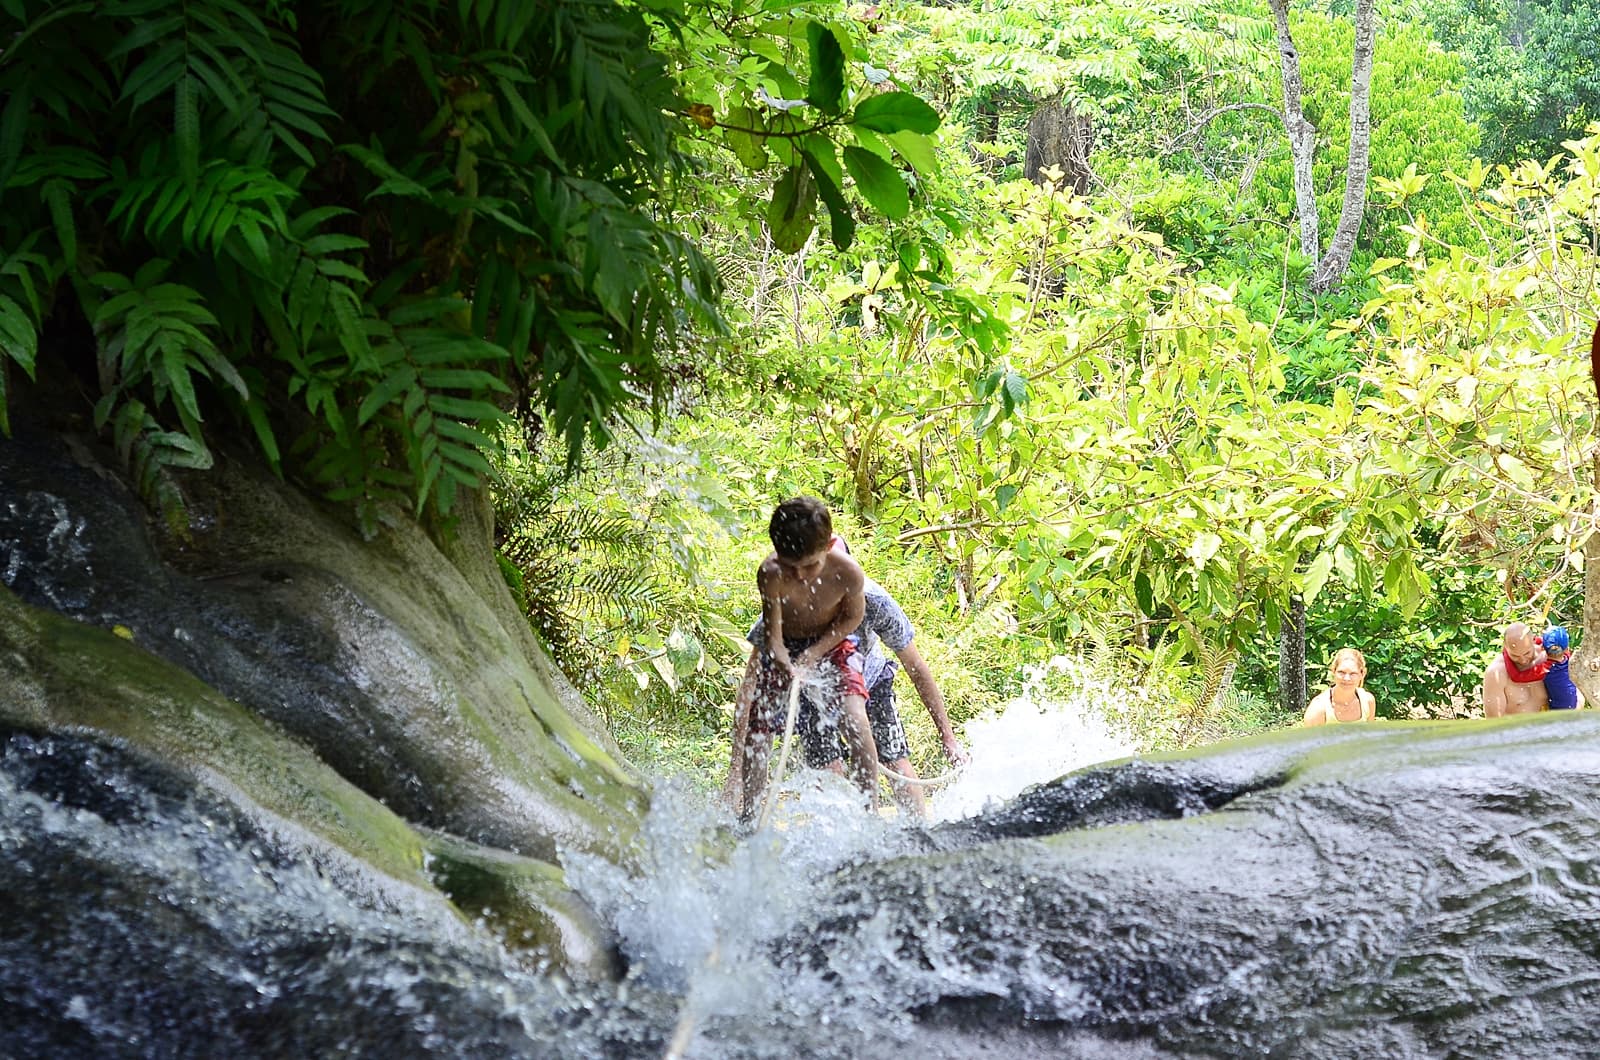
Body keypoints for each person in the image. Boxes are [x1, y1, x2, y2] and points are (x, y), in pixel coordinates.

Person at [727, 538, 969, 817]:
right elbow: (751, 684)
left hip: (870, 680)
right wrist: (735, 773)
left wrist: (948, 738)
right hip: (813, 691)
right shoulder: (788, 605)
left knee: (894, 761)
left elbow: (916, 667)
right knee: (828, 773)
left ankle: (917, 830)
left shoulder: (875, 601)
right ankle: (843, 836)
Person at [737, 497, 878, 820]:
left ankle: (869, 815)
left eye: (809, 566)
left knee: (855, 719)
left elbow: (852, 618)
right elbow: (773, 633)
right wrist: (783, 660)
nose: (799, 575)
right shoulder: (770, 573)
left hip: (834, 643)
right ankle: (749, 815)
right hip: (786, 645)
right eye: (790, 566)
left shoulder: (847, 572)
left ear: (828, 546)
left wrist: (815, 652)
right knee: (759, 729)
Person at [1482, 622, 1549, 717]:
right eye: (1515, 656)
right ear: (1505, 646)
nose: (1523, 660)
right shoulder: (1496, 672)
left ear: (1533, 640)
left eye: (1527, 653)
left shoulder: (1549, 658)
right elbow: (1494, 720)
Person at [1302, 647, 1377, 726]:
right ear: (1333, 671)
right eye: (1341, 672)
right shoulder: (1319, 708)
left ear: (1362, 674)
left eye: (1353, 673)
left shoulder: (1368, 702)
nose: (1347, 678)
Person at [1541, 625, 1584, 710]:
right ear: (1566, 649)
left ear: (1543, 648)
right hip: (1575, 707)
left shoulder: (1544, 669)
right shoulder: (1569, 661)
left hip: (1559, 714)